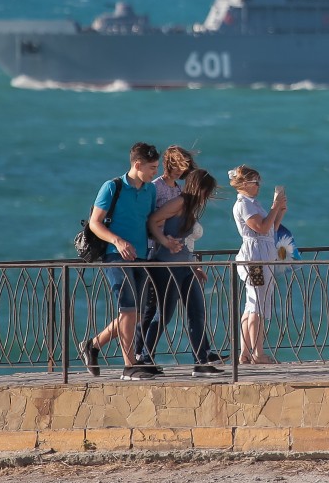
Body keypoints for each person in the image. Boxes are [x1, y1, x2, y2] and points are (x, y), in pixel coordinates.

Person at [78, 142, 160, 381]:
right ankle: (129, 365)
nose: (156, 172)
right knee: (128, 308)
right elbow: (95, 222)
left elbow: (147, 222)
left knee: (134, 312)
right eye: (152, 167)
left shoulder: (150, 190)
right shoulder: (112, 187)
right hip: (115, 255)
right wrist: (118, 241)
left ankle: (92, 345)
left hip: (142, 256)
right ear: (137, 164)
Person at [142, 168, 223, 377]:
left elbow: (187, 243)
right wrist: (165, 241)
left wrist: (195, 265)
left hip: (185, 267)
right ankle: (145, 357)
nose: (207, 197)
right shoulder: (179, 203)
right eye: (207, 191)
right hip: (165, 267)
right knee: (164, 314)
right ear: (200, 188)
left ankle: (201, 361)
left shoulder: (191, 208)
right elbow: (153, 221)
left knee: (197, 311)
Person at [136, 145, 200, 373]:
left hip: (175, 254)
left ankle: (145, 353)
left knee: (160, 309)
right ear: (172, 163)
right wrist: (164, 240)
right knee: (154, 308)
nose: (185, 170)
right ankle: (141, 352)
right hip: (157, 253)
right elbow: (151, 220)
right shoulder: (157, 188)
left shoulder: (179, 190)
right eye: (183, 165)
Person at [228, 165, 287, 364]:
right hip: (255, 260)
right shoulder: (244, 204)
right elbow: (261, 228)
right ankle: (257, 353)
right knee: (257, 304)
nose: (258, 186)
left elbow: (270, 229)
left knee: (253, 303)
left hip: (262, 256)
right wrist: (273, 208)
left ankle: (245, 352)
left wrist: (279, 211)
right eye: (255, 182)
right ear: (245, 184)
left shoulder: (252, 203)